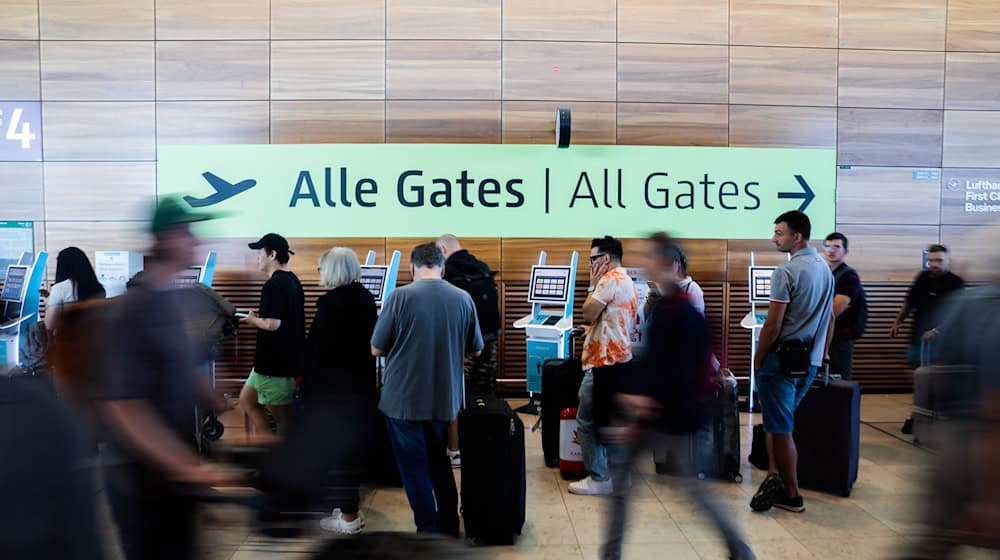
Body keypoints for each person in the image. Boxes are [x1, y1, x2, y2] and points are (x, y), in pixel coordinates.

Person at [94, 196, 232, 560]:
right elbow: (125, 407)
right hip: (142, 484)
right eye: (189, 233)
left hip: (172, 481)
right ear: (168, 239)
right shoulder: (133, 309)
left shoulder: (171, 301)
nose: (197, 241)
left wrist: (222, 403)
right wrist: (189, 469)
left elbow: (181, 369)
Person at [602, 232, 754, 560]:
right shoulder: (666, 302)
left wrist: (643, 405)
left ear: (670, 263)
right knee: (631, 485)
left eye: (649, 258)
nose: (644, 264)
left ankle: (740, 550)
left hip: (672, 414)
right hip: (669, 411)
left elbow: (678, 368)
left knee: (693, 491)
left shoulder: (680, 307)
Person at [898, 229, 1000, 558]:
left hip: (953, 442)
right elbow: (994, 408)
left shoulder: (964, 300)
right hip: (984, 451)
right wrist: (989, 499)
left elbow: (935, 375)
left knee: (932, 542)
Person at [371, 242, 483, 536]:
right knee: (439, 463)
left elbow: (376, 348)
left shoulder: (399, 297)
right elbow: (476, 350)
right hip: (444, 399)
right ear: (442, 267)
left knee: (413, 469)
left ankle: (427, 530)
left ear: (411, 268)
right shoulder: (463, 298)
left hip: (403, 401)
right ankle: (448, 526)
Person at [750, 210, 834, 514]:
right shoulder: (825, 269)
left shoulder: (785, 272)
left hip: (780, 362)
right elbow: (831, 318)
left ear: (796, 237)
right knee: (777, 423)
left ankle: (792, 494)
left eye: (779, 233)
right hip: (809, 363)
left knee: (782, 428)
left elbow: (772, 325)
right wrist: (822, 354)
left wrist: (759, 359)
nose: (775, 238)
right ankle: (774, 475)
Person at [303, 247, 378, 535]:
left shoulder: (331, 305)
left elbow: (319, 353)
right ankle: (348, 510)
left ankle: (349, 517)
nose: (319, 274)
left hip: (332, 393)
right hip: (358, 388)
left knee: (338, 453)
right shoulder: (365, 299)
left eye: (322, 269)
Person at [568, 236, 639, 497]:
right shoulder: (627, 280)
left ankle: (599, 477)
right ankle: (621, 476)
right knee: (613, 421)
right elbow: (610, 319)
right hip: (620, 359)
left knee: (587, 420)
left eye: (592, 259)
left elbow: (588, 312)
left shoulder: (608, 280)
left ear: (604, 259)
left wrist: (591, 285)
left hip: (603, 362)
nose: (590, 264)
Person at [438, 234, 501, 469]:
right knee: (484, 398)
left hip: (462, 348)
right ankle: (486, 444)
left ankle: (455, 448)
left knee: (455, 398)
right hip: (488, 343)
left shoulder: (447, 271)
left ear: (443, 249)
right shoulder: (481, 266)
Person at [890, 244, 964, 434]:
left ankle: (935, 417)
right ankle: (918, 415)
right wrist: (898, 321)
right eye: (930, 260)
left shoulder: (955, 283)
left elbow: (957, 314)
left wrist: (938, 330)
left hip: (943, 343)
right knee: (916, 376)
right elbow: (910, 302)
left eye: (938, 260)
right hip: (918, 338)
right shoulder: (922, 278)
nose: (934, 264)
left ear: (948, 261)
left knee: (937, 381)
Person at [238, 233, 305, 438]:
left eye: (260, 252)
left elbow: (272, 324)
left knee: (282, 420)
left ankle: (281, 460)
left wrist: (251, 320)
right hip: (273, 363)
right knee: (247, 400)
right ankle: (267, 445)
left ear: (272, 254)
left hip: (275, 365)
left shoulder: (273, 285)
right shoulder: (293, 280)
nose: (257, 257)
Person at [823, 233, 866, 380]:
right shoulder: (826, 273)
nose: (831, 250)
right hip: (825, 336)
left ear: (845, 251)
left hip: (840, 338)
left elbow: (834, 310)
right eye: (828, 246)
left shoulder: (849, 276)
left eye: (836, 246)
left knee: (838, 382)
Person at [45, 246, 106, 331]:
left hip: (67, 341)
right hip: (95, 340)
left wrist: (48, 305)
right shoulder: (99, 288)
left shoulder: (59, 288)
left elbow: (49, 325)